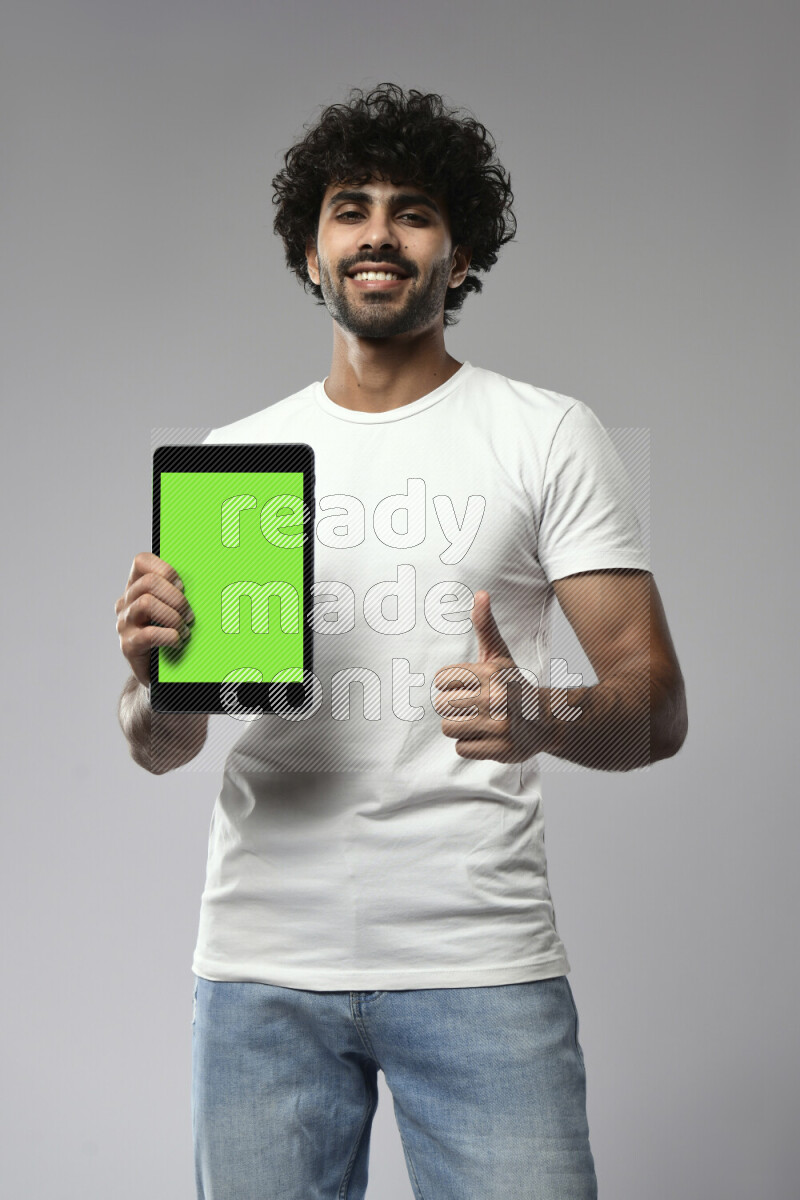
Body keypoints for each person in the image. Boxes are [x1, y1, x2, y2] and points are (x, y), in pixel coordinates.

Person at [115, 84, 688, 1200]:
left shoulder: (545, 434)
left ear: (457, 253)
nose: (377, 232)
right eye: (348, 209)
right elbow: (163, 744)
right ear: (311, 253)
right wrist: (152, 684)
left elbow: (656, 703)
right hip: (258, 973)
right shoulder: (239, 458)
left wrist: (543, 713)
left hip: (476, 961)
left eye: (411, 210)